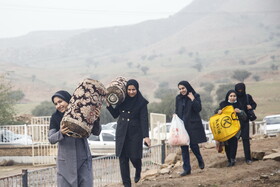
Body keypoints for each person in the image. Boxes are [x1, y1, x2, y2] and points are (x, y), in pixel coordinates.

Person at [48, 90, 100, 187]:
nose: (58, 105)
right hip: (65, 163)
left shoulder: (81, 112)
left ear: (68, 100)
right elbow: (51, 139)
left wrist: (96, 119)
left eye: (60, 101)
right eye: (56, 104)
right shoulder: (55, 117)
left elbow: (96, 132)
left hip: (83, 159)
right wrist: (61, 133)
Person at [106, 79, 151, 187]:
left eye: (133, 89)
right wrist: (109, 106)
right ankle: (127, 184)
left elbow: (144, 119)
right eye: (129, 90)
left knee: (135, 157)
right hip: (122, 132)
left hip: (135, 133)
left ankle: (138, 168)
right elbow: (115, 114)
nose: (131, 92)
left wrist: (146, 136)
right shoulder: (122, 100)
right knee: (123, 159)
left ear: (137, 89)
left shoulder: (141, 102)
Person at [175, 81, 207, 176]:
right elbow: (177, 109)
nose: (182, 90)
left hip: (192, 125)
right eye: (180, 89)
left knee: (194, 145)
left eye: (183, 88)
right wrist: (175, 115)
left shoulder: (195, 96)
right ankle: (187, 169)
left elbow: (198, 109)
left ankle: (199, 159)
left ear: (187, 87)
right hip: (182, 125)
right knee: (184, 147)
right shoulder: (178, 98)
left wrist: (193, 99)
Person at [216, 90, 247, 167]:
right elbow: (216, 113)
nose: (232, 98)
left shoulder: (239, 104)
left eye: (234, 96)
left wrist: (240, 112)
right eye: (231, 96)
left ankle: (233, 159)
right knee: (227, 144)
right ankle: (229, 159)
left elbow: (244, 117)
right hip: (225, 128)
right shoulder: (223, 104)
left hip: (235, 128)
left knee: (233, 143)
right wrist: (218, 111)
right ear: (228, 97)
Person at [235, 83, 257, 164]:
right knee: (234, 141)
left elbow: (254, 104)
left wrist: (251, 107)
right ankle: (232, 159)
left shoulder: (248, 97)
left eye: (241, 90)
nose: (240, 92)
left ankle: (248, 158)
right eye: (238, 91)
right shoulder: (234, 97)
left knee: (246, 140)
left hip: (245, 121)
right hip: (235, 122)